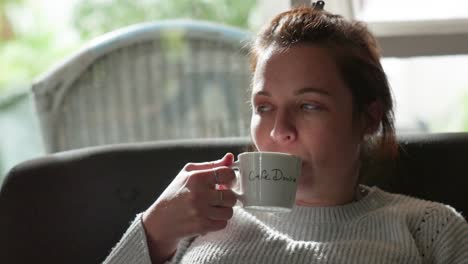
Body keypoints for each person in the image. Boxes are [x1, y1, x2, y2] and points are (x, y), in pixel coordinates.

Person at [104, 3, 468, 264]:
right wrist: (153, 232)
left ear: (368, 118)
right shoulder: (200, 216)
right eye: (264, 107)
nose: (280, 130)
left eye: (309, 106)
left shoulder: (428, 228)